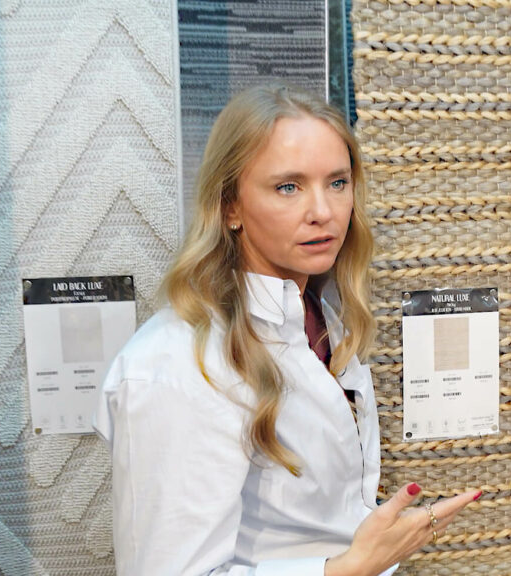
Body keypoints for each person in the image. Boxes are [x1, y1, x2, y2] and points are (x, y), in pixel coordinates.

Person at [93, 83, 481, 576]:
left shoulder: (321, 318)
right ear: (230, 206)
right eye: (288, 187)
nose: (323, 211)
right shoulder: (175, 364)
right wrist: (349, 569)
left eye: (338, 182)